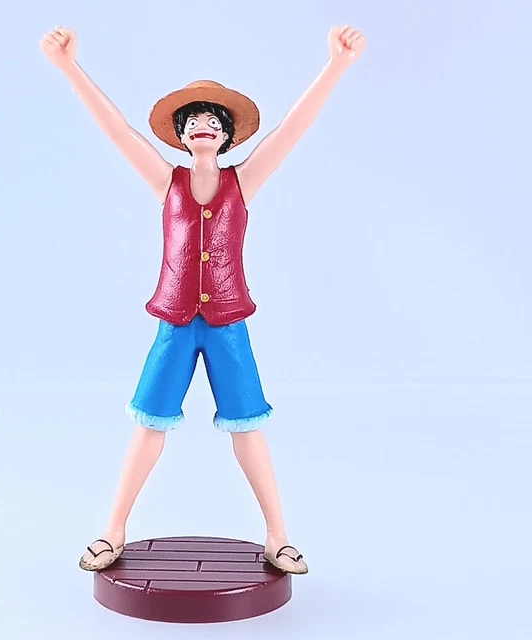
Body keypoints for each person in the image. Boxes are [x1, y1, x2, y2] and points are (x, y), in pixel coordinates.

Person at [40, 23, 366, 575]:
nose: (203, 125)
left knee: (248, 427)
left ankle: (277, 535)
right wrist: (69, 67)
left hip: (228, 324)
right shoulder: (164, 179)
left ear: (228, 134)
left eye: (213, 120)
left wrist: (335, 65)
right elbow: (116, 130)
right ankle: (113, 529)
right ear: (181, 135)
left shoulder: (244, 180)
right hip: (174, 321)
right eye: (193, 120)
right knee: (149, 425)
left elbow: (291, 130)